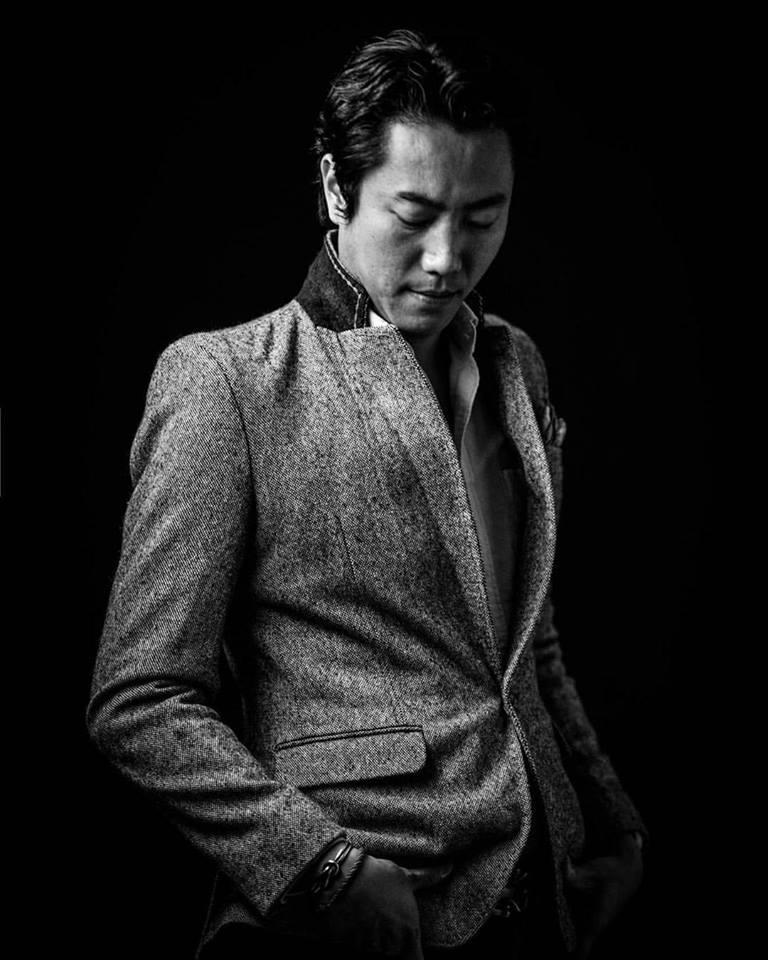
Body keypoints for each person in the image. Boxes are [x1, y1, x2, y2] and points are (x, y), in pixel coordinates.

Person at [87, 28, 646, 960]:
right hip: (349, 917)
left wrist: (614, 825)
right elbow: (139, 699)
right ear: (336, 189)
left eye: (483, 216)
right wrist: (324, 869)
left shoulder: (518, 365)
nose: (447, 256)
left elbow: (526, 644)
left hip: (542, 900)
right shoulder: (226, 382)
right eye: (414, 213)